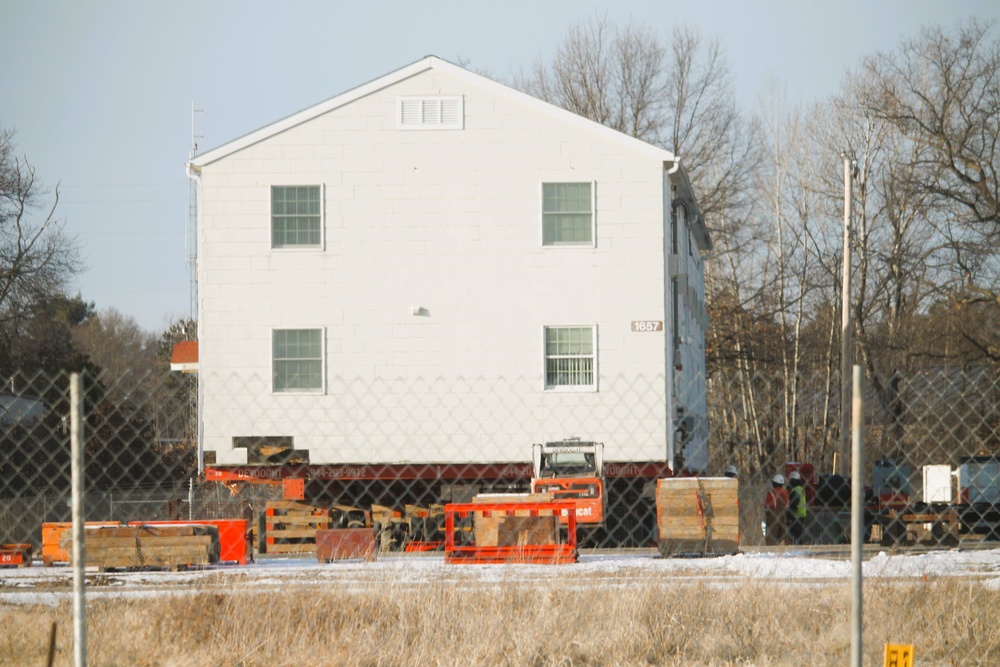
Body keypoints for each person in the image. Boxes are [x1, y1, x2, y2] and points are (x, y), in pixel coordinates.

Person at [763, 474, 788, 545]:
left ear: (774, 483)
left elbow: (767, 506)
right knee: (783, 535)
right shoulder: (785, 493)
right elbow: (786, 505)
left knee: (771, 536)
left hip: (772, 516)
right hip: (783, 516)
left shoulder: (772, 493)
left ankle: (770, 552)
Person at [786, 471, 808, 544]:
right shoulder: (801, 489)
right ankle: (799, 548)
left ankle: (796, 549)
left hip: (796, 516)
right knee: (799, 535)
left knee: (794, 535)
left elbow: (793, 506)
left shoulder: (795, 491)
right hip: (802, 515)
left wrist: (789, 517)